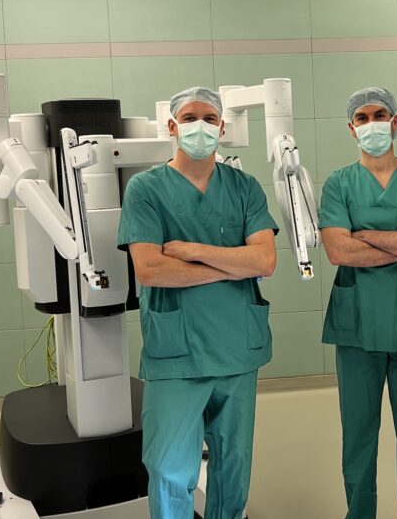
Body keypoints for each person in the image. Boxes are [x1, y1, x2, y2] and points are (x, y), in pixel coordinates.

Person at [118, 86, 279, 519]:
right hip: (177, 353)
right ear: (172, 126)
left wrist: (192, 251)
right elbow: (150, 269)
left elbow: (264, 261)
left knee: (233, 465)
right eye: (189, 118)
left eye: (209, 118)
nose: (200, 127)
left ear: (222, 128)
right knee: (169, 467)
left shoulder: (244, 187)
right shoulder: (145, 189)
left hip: (236, 348)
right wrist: (232, 266)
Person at [319, 87, 397, 519]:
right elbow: (338, 251)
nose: (371, 124)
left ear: (395, 122)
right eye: (362, 117)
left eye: (379, 115)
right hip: (356, 328)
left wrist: (365, 235)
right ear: (351, 128)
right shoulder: (338, 183)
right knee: (358, 440)